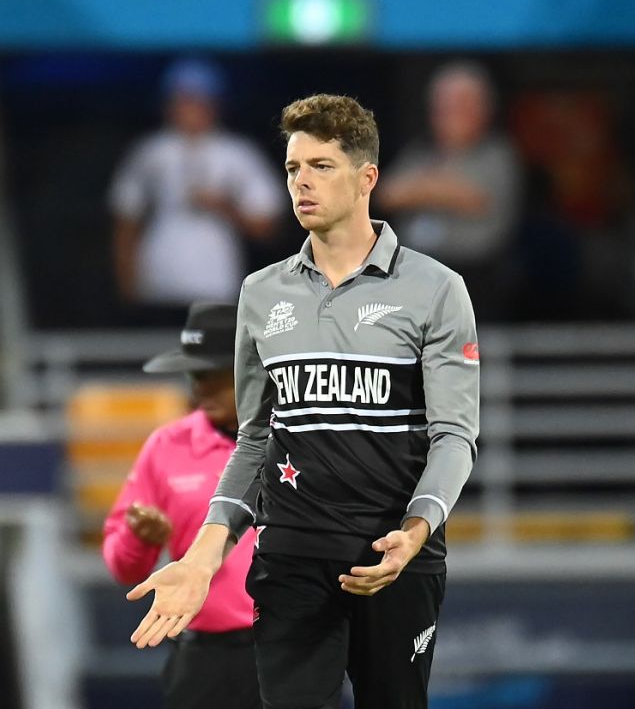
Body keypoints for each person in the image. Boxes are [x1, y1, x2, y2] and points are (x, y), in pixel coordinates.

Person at [127, 94, 479, 709]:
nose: (301, 183)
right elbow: (256, 441)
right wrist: (204, 557)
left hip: (393, 557)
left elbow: (454, 435)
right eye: (293, 169)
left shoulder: (436, 290)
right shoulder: (260, 294)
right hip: (291, 555)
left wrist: (417, 530)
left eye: (321, 166)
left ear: (366, 178)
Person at [102, 302, 260, 709]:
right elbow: (124, 568)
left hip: (293, 650)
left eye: (214, 374)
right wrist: (139, 539)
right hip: (201, 660)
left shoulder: (299, 440)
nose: (200, 389)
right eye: (194, 375)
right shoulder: (166, 447)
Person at [109, 58, 281, 322]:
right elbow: (125, 222)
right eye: (183, 100)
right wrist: (127, 287)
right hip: (157, 287)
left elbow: (267, 228)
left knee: (211, 359)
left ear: (215, 105)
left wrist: (222, 206)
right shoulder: (150, 152)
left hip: (215, 287)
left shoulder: (238, 154)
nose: (190, 109)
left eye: (199, 101)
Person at [377, 60, 523, 320]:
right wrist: (439, 188)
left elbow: (473, 197)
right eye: (444, 107)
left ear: (483, 109)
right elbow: (386, 193)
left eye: (460, 106)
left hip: (474, 281)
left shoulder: (497, 155)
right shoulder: (421, 153)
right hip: (417, 278)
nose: (449, 115)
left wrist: (422, 188)